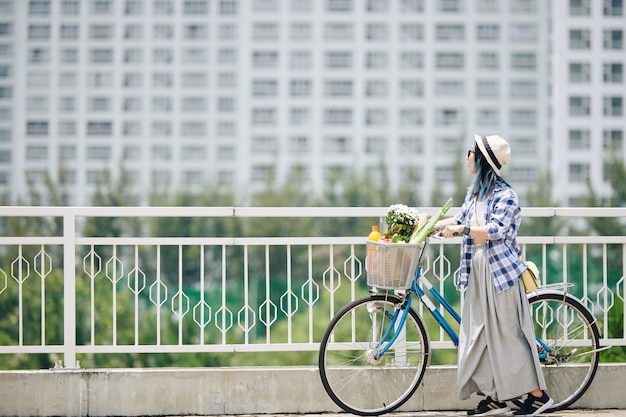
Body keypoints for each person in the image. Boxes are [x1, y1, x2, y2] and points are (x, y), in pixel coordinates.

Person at [435, 134, 554, 416]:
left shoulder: (506, 196)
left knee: (507, 334)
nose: (467, 156)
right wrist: (427, 224)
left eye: (471, 152)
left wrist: (461, 230)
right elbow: (461, 219)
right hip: (478, 268)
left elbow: (496, 230)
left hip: (500, 271)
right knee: (480, 333)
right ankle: (495, 396)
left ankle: (539, 396)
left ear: (483, 161)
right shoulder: (475, 194)